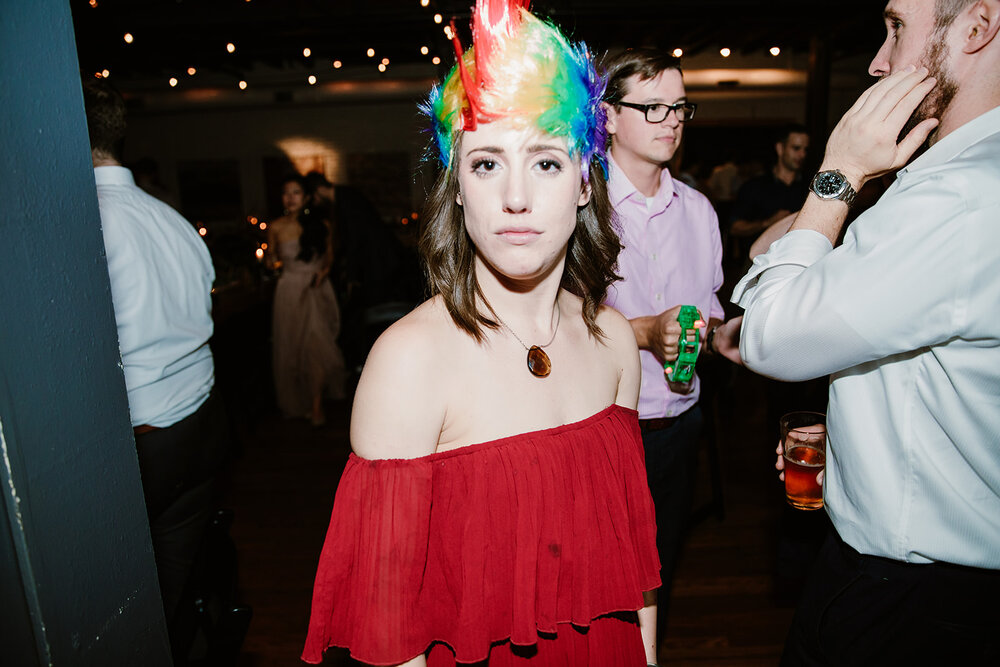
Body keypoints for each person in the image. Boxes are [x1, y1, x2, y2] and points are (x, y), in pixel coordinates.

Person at [302, 2, 660, 665]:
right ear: (458, 186)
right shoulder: (409, 361)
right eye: (487, 163)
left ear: (586, 180)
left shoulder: (614, 342)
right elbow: (390, 637)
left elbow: (631, 565)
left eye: (547, 162)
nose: (515, 196)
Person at [732, 0, 1000, 663]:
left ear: (977, 26)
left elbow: (771, 336)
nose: (878, 61)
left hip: (914, 601)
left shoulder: (962, 197)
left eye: (897, 27)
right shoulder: (949, 177)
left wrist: (838, 175)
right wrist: (862, 429)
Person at [599, 48, 743, 640]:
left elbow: (703, 319)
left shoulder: (701, 211)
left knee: (656, 571)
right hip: (602, 428)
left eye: (680, 106)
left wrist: (730, 338)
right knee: (598, 583)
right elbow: (548, 327)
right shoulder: (578, 206)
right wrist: (640, 331)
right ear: (608, 116)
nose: (672, 120)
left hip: (679, 424)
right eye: (652, 106)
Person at [83, 79, 230, 655]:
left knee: (111, 604)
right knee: (167, 588)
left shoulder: (85, 224)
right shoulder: (168, 217)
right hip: (203, 425)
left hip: (145, 441)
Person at [266, 174, 347, 425]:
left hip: (315, 289)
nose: (290, 198)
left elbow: (330, 259)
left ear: (307, 197)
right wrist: (270, 262)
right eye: (285, 193)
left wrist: (321, 274)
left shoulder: (322, 225)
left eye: (296, 192)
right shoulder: (275, 227)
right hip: (289, 290)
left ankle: (315, 404)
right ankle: (299, 400)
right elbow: (271, 260)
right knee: (292, 347)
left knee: (317, 346)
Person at [728, 124, 810, 244]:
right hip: (760, 258)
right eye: (796, 148)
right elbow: (734, 228)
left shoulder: (810, 188)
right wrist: (767, 223)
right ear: (780, 148)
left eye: (805, 149)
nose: (802, 155)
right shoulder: (754, 187)